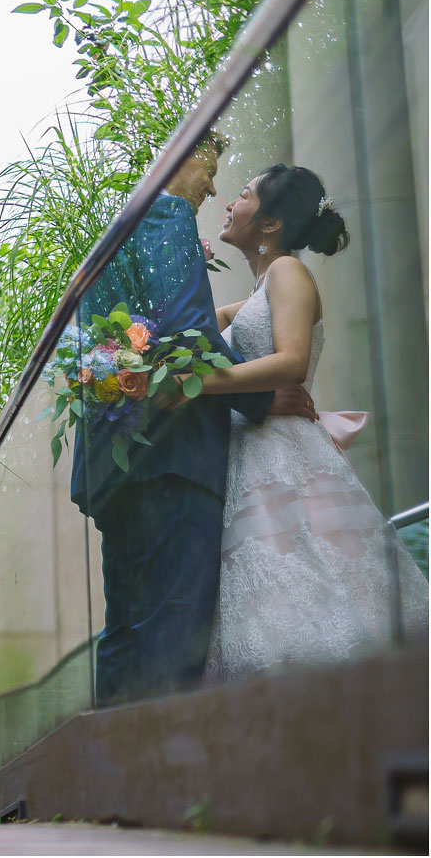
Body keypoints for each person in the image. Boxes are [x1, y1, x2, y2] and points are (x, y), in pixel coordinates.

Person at [155, 163, 429, 680]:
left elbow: (292, 362)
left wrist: (199, 386)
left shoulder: (287, 271)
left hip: (285, 453)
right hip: (250, 453)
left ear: (272, 223)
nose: (229, 203)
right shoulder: (253, 297)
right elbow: (198, 329)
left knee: (312, 584)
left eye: (242, 194)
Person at [70, 133, 286, 707]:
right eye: (210, 168)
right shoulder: (165, 215)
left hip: (117, 461)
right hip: (171, 455)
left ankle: (109, 783)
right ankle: (163, 788)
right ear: (178, 155)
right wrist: (268, 395)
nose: (213, 186)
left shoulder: (114, 230)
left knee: (124, 628)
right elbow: (189, 338)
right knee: (175, 628)